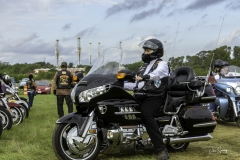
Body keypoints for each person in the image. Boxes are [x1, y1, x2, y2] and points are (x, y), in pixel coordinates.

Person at [124, 38, 170, 160]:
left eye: (148, 50)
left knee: (146, 114)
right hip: (141, 95)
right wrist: (119, 85)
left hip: (155, 96)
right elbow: (136, 84)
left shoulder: (162, 64)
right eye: (145, 50)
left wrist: (146, 76)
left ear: (156, 51)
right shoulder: (143, 67)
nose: (145, 53)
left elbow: (158, 74)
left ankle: (161, 149)